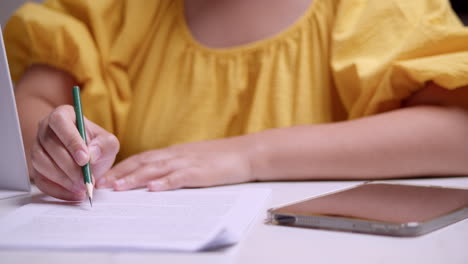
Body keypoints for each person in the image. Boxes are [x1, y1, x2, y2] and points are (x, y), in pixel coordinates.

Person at [4, 0, 468, 201]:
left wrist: (249, 154)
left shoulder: (376, 10)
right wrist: (51, 143)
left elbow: (456, 132)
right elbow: (34, 101)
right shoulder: (112, 10)